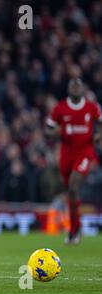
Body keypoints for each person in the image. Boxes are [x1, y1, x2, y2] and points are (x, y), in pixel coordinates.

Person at [46, 78, 102, 245]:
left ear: (83, 89)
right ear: (69, 89)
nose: (76, 88)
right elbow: (48, 131)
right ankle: (75, 229)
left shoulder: (91, 107)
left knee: (73, 185)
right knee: (71, 192)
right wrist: (56, 132)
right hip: (66, 154)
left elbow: (100, 123)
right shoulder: (60, 108)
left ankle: (74, 230)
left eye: (79, 85)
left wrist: (98, 135)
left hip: (85, 152)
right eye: (73, 85)